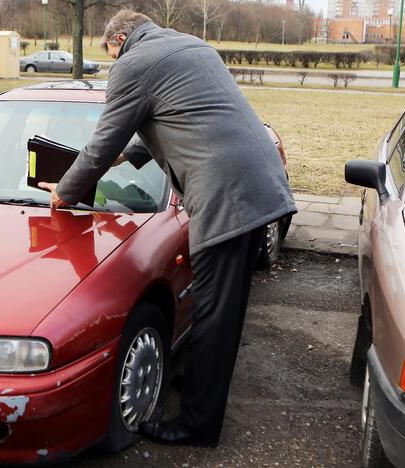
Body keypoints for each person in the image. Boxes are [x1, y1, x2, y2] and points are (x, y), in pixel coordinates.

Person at [38, 10, 296, 447]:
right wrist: (127, 158)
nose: (112, 59)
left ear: (120, 38)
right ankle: (201, 389)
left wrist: (64, 192)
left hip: (226, 195)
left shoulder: (133, 63)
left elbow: (103, 142)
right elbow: (178, 114)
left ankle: (197, 424)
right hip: (257, 182)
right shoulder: (188, 46)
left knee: (214, 314)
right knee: (224, 310)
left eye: (109, 51)